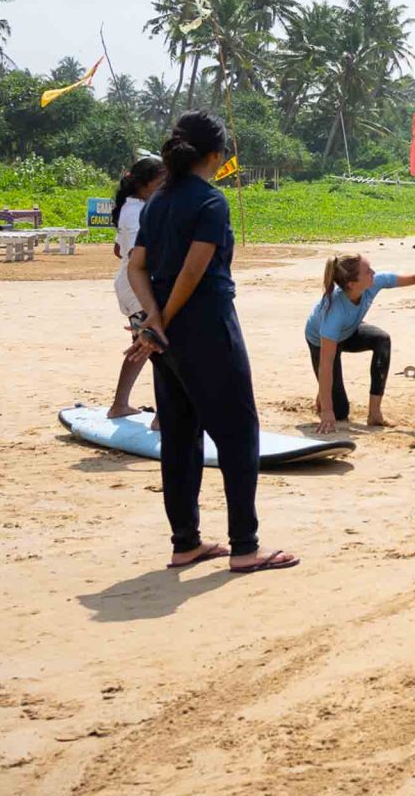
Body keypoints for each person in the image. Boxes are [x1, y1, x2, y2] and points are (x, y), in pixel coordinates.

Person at [126, 110, 297, 573]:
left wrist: (153, 322)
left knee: (180, 437)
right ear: (217, 156)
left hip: (165, 338)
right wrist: (165, 318)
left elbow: (135, 267)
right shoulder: (211, 201)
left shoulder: (158, 201)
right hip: (207, 327)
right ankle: (245, 547)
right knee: (238, 434)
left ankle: (186, 542)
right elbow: (195, 270)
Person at [307, 255, 415, 433]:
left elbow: (412, 278)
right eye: (368, 272)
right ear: (351, 284)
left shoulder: (373, 283)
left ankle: (374, 413)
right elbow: (326, 364)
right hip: (322, 342)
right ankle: (324, 392)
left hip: (348, 331)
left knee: (382, 339)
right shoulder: (334, 313)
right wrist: (327, 412)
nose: (373, 273)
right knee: (340, 412)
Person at [109, 156, 167, 426]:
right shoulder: (138, 212)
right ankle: (162, 416)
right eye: (160, 183)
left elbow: (118, 249)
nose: (165, 187)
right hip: (137, 286)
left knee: (141, 347)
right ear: (143, 186)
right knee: (160, 349)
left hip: (131, 284)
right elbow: (133, 255)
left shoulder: (133, 208)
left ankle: (120, 404)